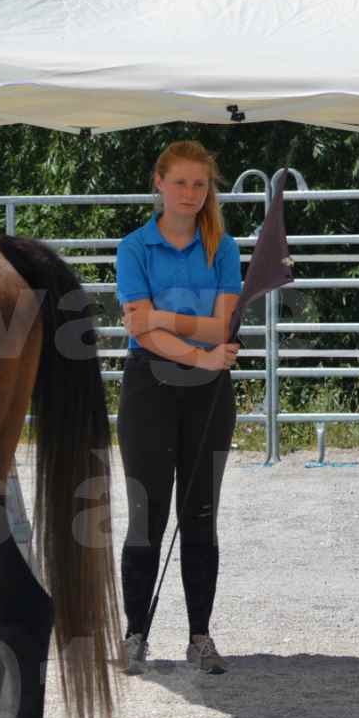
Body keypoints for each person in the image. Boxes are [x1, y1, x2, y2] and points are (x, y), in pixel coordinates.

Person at [115, 140, 241, 677]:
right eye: (182, 182)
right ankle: (135, 634)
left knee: (201, 516)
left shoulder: (225, 247)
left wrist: (164, 321)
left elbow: (222, 326)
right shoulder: (134, 248)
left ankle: (200, 635)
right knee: (148, 515)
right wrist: (201, 352)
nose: (192, 193)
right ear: (158, 183)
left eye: (201, 184)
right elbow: (143, 331)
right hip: (150, 387)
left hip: (210, 393)